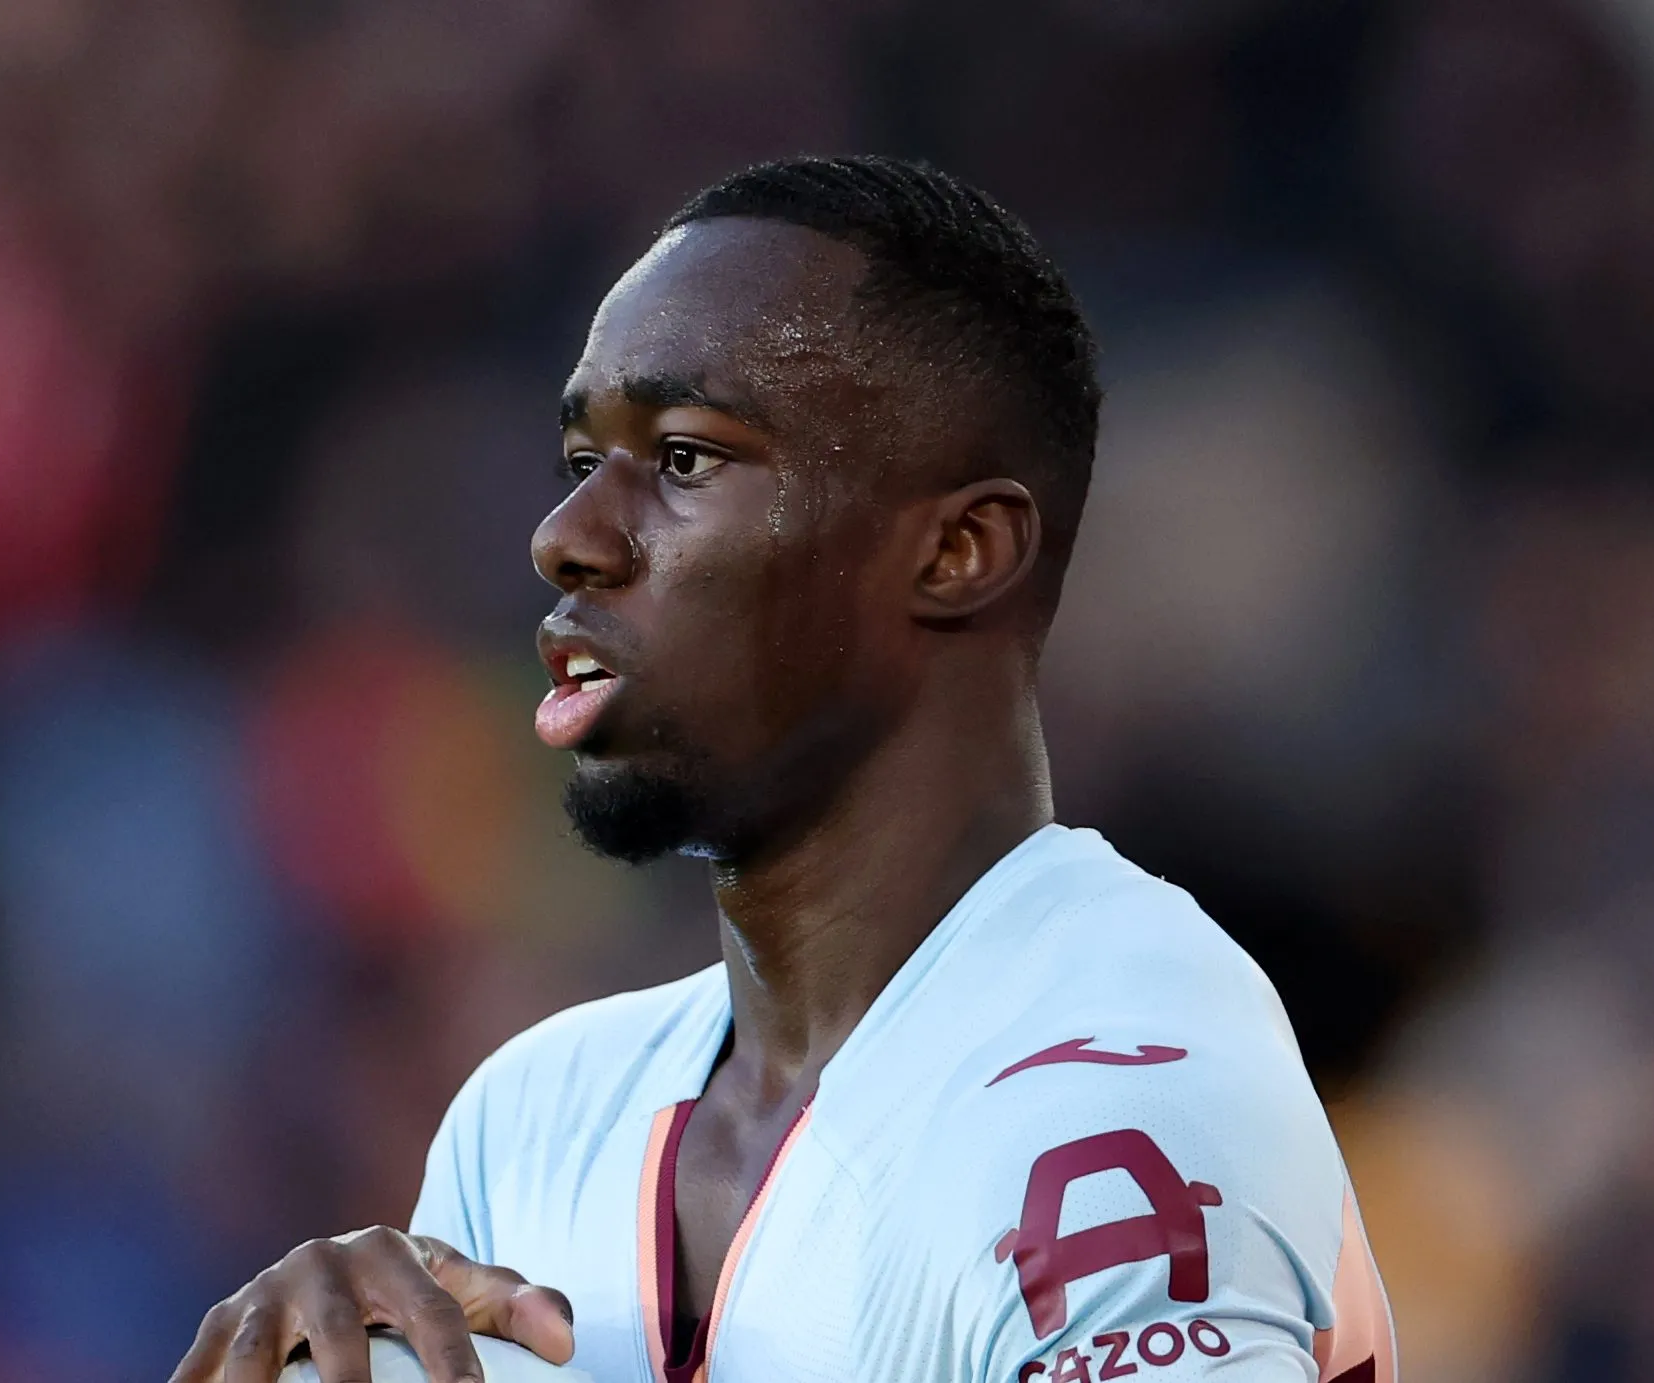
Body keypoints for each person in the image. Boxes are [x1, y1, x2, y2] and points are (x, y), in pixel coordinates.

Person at [168, 155, 1394, 1383]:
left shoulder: (1113, 1109)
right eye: (579, 464)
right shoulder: (532, 1115)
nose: (566, 537)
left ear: (958, 552)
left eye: (686, 457)